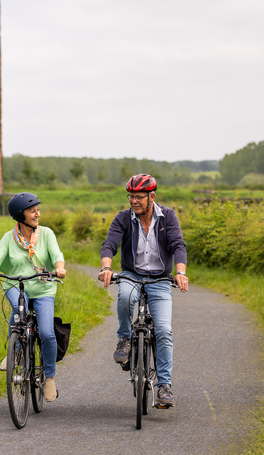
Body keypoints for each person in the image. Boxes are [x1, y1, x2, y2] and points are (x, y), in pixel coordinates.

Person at [98, 174, 188, 408]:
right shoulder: (123, 218)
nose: (133, 201)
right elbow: (109, 244)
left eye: (139, 197)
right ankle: (125, 338)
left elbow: (178, 245)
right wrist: (106, 267)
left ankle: (164, 386)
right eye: (131, 196)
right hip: (131, 274)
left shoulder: (167, 216)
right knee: (126, 296)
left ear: (152, 197)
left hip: (160, 279)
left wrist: (180, 272)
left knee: (164, 331)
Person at [0, 192, 66, 402]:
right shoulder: (9, 238)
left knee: (46, 333)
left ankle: (50, 378)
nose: (37, 213)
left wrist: (59, 268)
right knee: (20, 310)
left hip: (43, 287)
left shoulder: (46, 234)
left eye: (37, 209)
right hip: (15, 285)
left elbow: (57, 255)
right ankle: (14, 351)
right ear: (20, 215)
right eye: (32, 210)